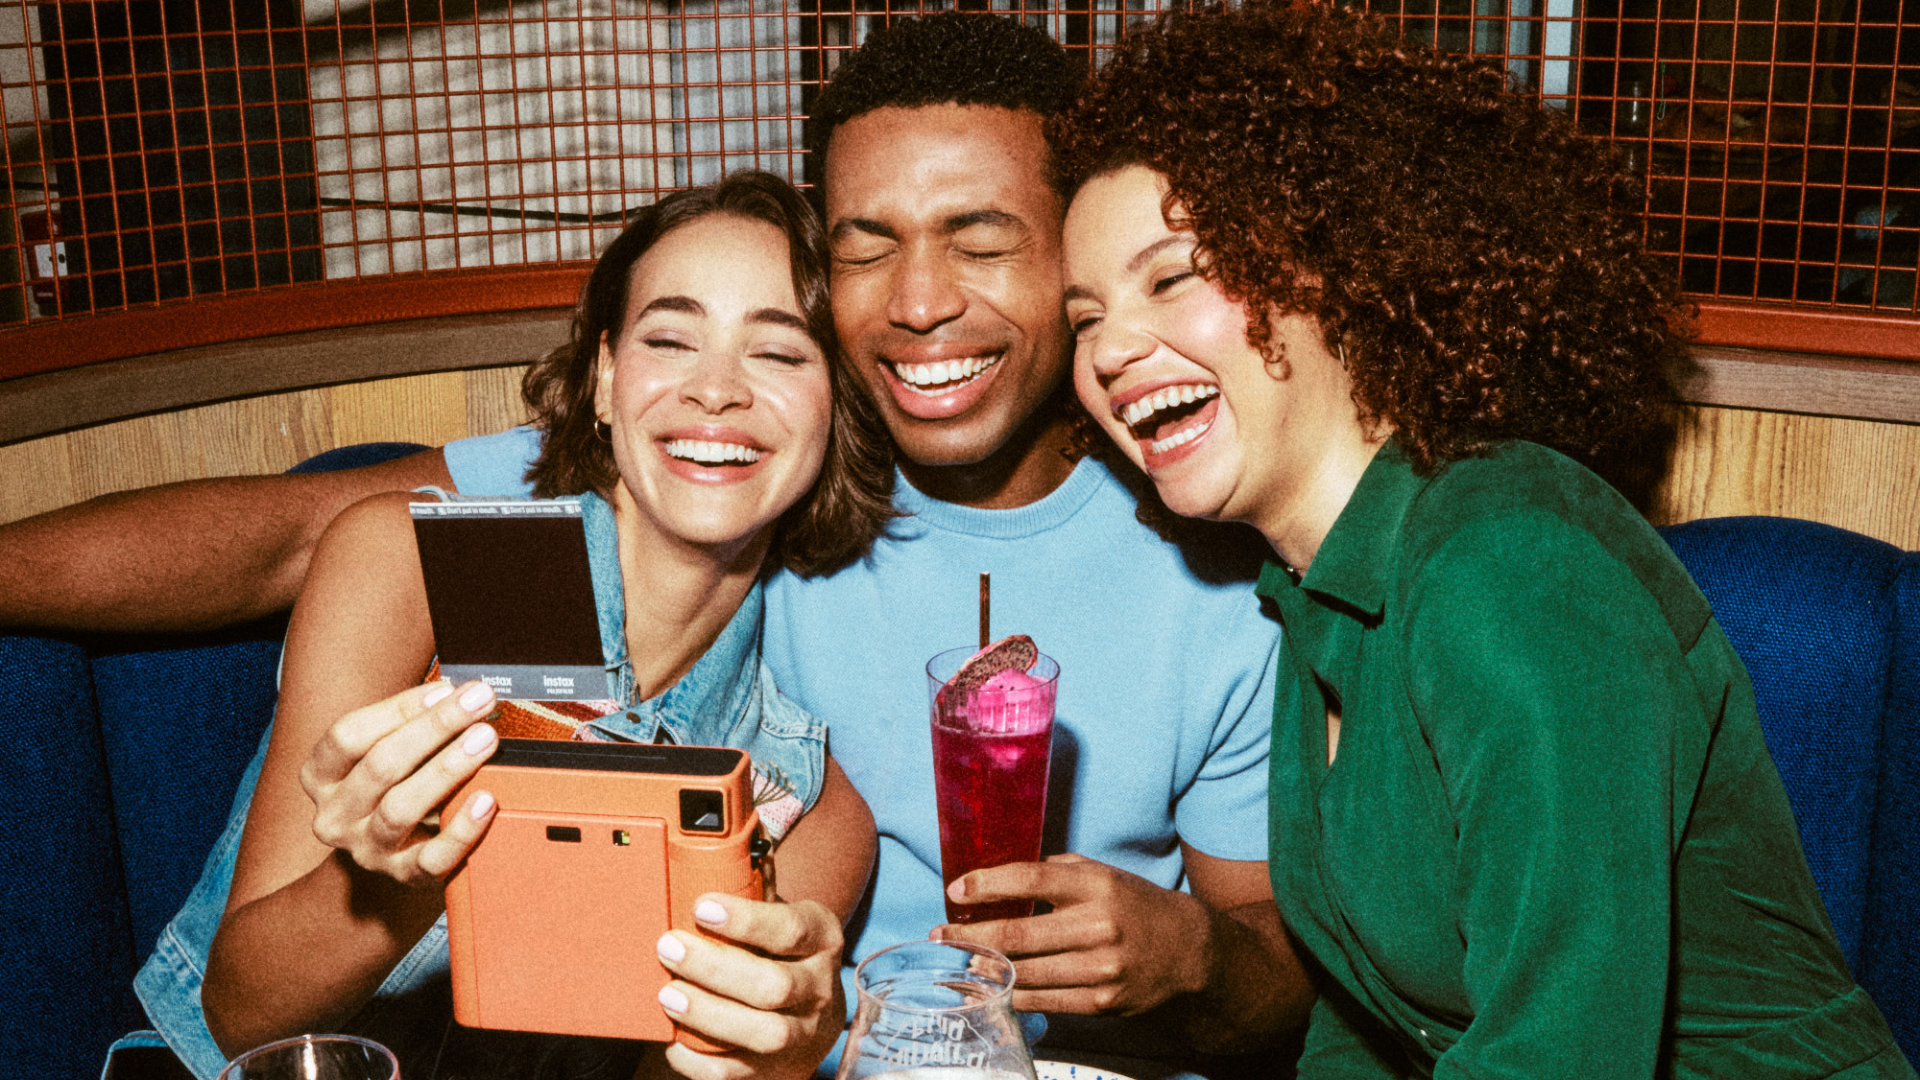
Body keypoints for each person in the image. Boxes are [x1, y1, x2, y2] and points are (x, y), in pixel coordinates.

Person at [4, 13, 1311, 1074]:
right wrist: (412, 866)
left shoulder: (814, 748)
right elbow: (317, 534)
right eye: (868, 251)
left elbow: (720, 990)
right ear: (607, 382)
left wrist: (1183, 956)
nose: (919, 302)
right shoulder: (594, 525)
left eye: (983, 239)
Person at [1055, 4, 1917, 1078]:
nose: (1112, 351)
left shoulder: (1505, 565)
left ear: (1336, 262)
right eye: (1084, 317)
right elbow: (1368, 1026)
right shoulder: (1312, 590)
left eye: (1171, 277)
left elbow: (1562, 1058)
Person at [139, 171, 891, 1080]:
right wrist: (399, 877)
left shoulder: (805, 806)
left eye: (779, 353)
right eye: (671, 338)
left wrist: (768, 1054)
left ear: (836, 409)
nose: (717, 390)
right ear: (608, 379)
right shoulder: (414, 569)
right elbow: (239, 1014)